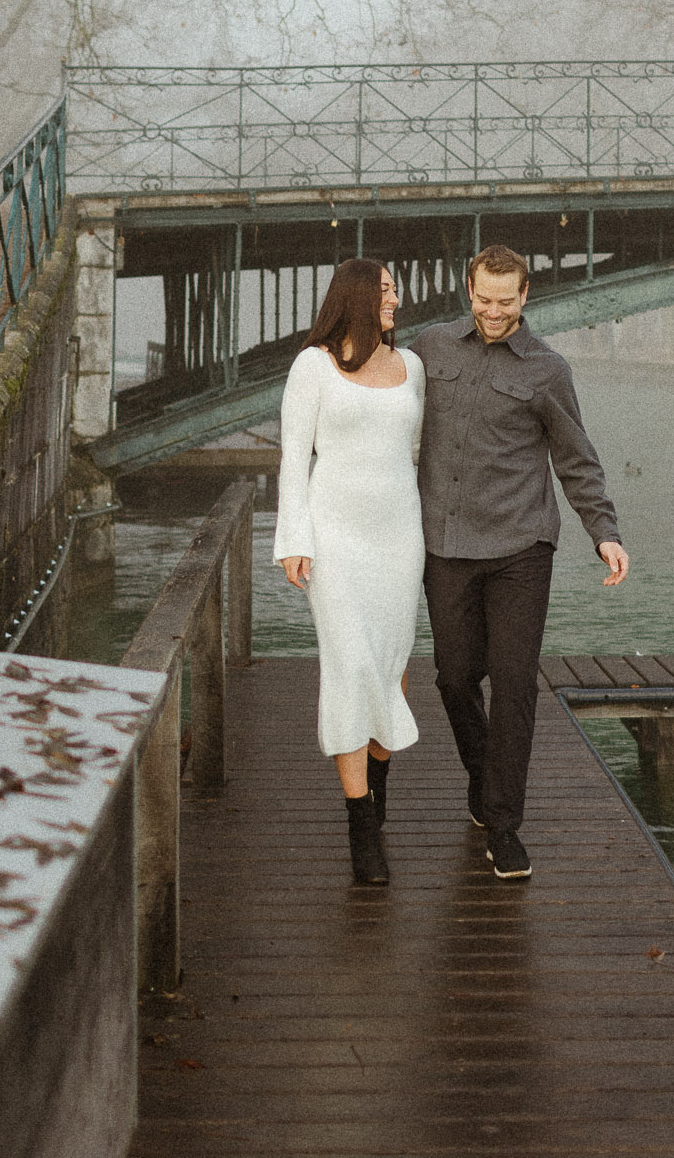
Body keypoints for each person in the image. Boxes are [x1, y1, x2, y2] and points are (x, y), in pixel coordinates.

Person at [412, 243, 629, 880]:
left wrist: (604, 532)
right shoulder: (430, 348)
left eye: (506, 302)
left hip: (520, 549)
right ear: (467, 289)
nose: (494, 312)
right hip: (446, 546)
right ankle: (484, 779)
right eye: (484, 300)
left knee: (513, 686)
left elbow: (576, 459)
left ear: (526, 296)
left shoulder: (547, 371)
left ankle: (504, 826)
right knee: (454, 678)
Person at [273, 258, 426, 885]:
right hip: (336, 539)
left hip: (399, 538)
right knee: (350, 666)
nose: (397, 299)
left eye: (396, 289)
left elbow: (415, 454)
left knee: (390, 667)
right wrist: (293, 539)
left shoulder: (412, 366)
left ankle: (379, 795)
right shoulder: (313, 366)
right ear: (358, 298)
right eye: (387, 290)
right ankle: (362, 826)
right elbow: (291, 457)